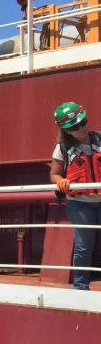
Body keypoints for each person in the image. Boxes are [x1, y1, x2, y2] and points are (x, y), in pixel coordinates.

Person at [50, 101, 101, 290]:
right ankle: (81, 287)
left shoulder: (99, 139)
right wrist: (60, 181)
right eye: (74, 126)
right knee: (83, 247)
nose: (82, 128)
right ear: (66, 130)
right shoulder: (62, 148)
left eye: (84, 122)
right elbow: (54, 174)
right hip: (80, 204)